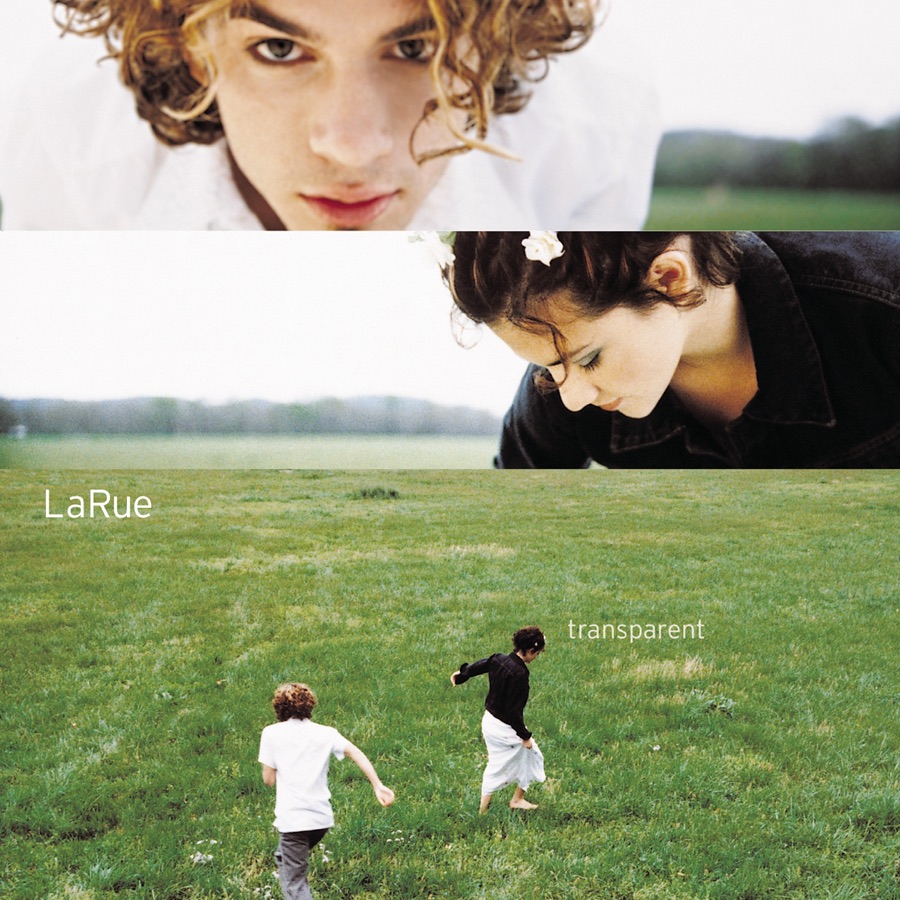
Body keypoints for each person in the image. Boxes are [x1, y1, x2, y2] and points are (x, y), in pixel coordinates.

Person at [0, 0, 659, 230]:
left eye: (415, 48)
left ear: (490, 50)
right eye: (278, 49)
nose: (353, 146)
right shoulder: (67, 134)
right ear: (194, 51)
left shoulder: (597, 127)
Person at [443, 231, 900, 467]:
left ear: (668, 279)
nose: (572, 397)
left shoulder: (879, 308)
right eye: (547, 371)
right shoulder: (562, 384)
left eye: (588, 360)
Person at [258, 682, 395, 900]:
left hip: (294, 821)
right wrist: (378, 785)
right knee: (285, 858)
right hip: (321, 820)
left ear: (279, 708)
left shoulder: (271, 734)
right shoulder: (326, 733)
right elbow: (356, 752)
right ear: (309, 705)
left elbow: (268, 780)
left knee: (295, 885)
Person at [451, 626, 546, 813]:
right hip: (504, 727)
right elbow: (513, 711)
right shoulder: (520, 675)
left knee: (504, 761)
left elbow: (481, 665)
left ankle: (494, 806)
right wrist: (525, 736)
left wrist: (462, 675)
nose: (536, 657)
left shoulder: (499, 658)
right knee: (530, 755)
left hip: (489, 721)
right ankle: (509, 802)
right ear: (530, 651)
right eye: (537, 653)